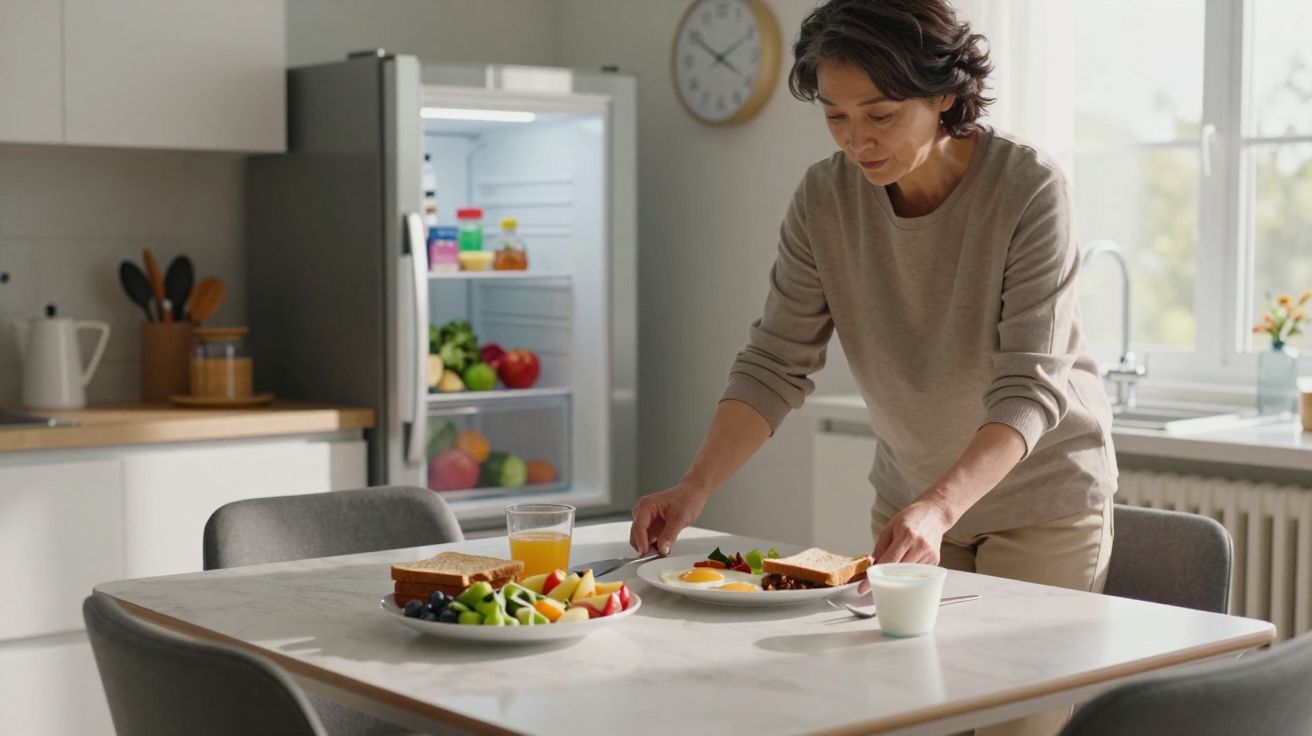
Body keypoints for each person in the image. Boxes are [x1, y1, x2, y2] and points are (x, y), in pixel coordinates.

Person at [630, 2, 1117, 734]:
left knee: (1016, 725)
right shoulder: (824, 199)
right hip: (911, 507)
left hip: (1040, 505)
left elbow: (1030, 386)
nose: (857, 140)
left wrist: (940, 506)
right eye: (835, 116)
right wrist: (696, 484)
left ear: (945, 95)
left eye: (881, 114)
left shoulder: (1028, 189)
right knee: (907, 715)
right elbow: (774, 360)